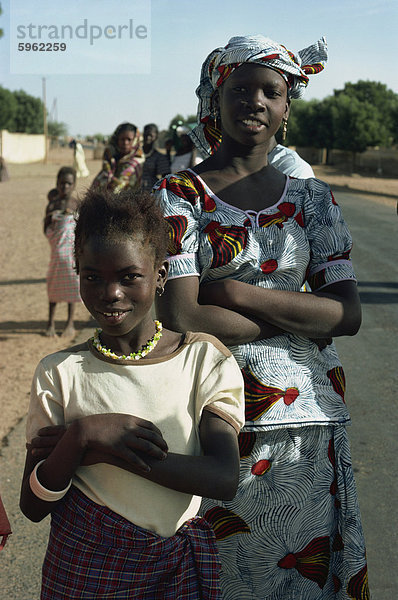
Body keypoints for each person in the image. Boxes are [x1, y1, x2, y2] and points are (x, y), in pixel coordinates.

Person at [154, 35, 369, 599]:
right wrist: (303, 315)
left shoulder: (312, 199)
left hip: (310, 425)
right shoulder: (180, 195)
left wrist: (233, 295)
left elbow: (345, 314)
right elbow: (179, 312)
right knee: (217, 574)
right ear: (214, 98)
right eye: (240, 88)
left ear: (287, 106)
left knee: (301, 578)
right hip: (211, 419)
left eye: (270, 91)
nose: (255, 100)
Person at [21, 188, 245, 599]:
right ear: (77, 272)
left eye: (129, 276)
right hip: (84, 570)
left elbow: (223, 477)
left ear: (159, 275)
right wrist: (82, 436)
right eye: (93, 277)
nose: (111, 293)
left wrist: (107, 450)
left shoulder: (203, 360)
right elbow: (33, 506)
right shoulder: (59, 373)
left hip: (174, 570)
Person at [44, 166, 80, 338]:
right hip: (56, 252)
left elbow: (80, 229)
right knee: (53, 286)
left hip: (71, 254)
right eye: (61, 183)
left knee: (73, 286)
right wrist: (54, 218)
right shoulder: (52, 204)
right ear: (56, 184)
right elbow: (46, 229)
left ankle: (69, 323)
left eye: (68, 183)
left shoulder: (76, 204)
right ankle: (50, 323)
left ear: (73, 185)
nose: (64, 187)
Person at [91, 122, 143, 192]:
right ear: (117, 139)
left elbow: (121, 186)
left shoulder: (137, 161)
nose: (125, 143)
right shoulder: (111, 156)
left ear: (135, 140)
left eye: (129, 139)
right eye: (122, 139)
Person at [141, 123, 171, 192]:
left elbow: (166, 179)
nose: (148, 138)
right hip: (133, 191)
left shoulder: (159, 157)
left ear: (156, 137)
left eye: (151, 136)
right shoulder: (135, 154)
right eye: (146, 135)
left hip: (150, 193)